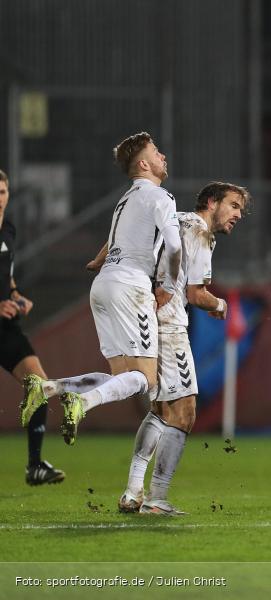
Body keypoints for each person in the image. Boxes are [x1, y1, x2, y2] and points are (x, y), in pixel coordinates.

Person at [20, 132, 182, 445]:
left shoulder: (126, 199)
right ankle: (81, 403)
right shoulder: (162, 198)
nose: (163, 156)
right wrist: (169, 286)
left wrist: (97, 259)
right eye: (157, 152)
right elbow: (174, 246)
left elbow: (115, 239)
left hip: (104, 286)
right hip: (131, 287)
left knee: (122, 379)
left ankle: (47, 388)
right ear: (145, 164)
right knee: (147, 380)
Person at [110, 181, 248, 516]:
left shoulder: (176, 218)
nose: (237, 215)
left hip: (141, 319)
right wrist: (222, 305)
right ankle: (156, 499)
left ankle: (132, 492)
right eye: (233, 206)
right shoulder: (200, 232)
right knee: (184, 413)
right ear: (212, 202)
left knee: (161, 410)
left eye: (241, 210)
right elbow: (195, 294)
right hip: (168, 327)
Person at [0, 169, 65, 485]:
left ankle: (35, 466)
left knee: (39, 386)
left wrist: (14, 294)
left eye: (2, 191)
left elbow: (6, 275)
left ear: (8, 194)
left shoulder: (8, 229)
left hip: (5, 327)